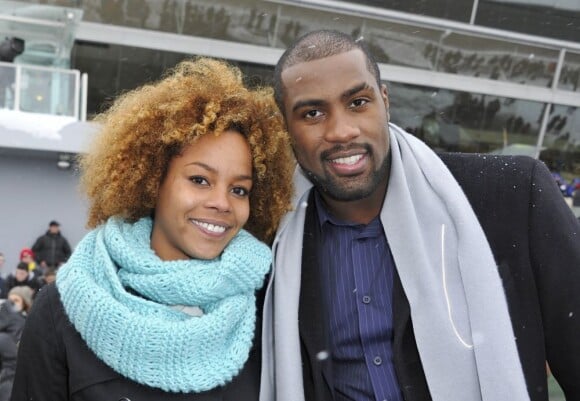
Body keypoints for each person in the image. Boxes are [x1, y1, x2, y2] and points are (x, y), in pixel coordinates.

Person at [260, 30, 580, 401]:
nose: (342, 131)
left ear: (385, 101)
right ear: (286, 128)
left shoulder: (514, 195)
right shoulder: (267, 237)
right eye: (312, 113)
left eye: (358, 102)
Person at [11, 57, 294, 401]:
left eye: (239, 190)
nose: (222, 203)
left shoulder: (268, 308)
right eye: (199, 180)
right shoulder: (62, 310)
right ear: (153, 180)